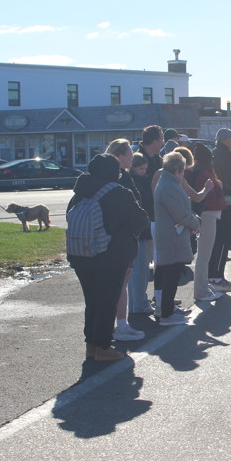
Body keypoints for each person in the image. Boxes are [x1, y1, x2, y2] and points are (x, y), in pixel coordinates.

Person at [68, 153, 149, 360]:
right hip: (110, 254)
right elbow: (140, 220)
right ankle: (103, 347)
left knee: (92, 301)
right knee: (107, 300)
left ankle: (91, 346)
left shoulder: (80, 192)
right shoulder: (118, 193)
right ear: (113, 172)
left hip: (81, 253)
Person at [104, 139, 146, 342]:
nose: (133, 155)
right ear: (119, 156)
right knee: (120, 285)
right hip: (120, 240)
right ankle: (121, 325)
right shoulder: (121, 179)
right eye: (129, 152)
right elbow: (132, 211)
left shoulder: (106, 178)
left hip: (111, 239)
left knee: (115, 285)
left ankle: (113, 325)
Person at [154, 152, 202, 325]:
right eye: (183, 172)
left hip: (171, 234)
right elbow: (180, 214)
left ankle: (167, 309)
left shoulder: (167, 183)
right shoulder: (169, 186)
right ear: (177, 171)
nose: (183, 175)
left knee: (170, 273)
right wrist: (197, 223)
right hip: (171, 237)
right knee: (171, 275)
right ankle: (167, 314)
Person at [130, 125, 164, 315]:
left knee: (156, 261)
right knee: (140, 265)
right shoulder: (138, 158)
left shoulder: (158, 160)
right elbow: (138, 193)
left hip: (156, 217)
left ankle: (159, 297)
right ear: (156, 140)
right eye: (161, 138)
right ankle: (138, 304)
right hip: (142, 219)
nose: (163, 142)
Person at [187, 143, 224, 302]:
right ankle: (201, 291)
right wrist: (223, 201)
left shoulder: (196, 173)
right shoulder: (205, 175)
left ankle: (203, 287)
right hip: (208, 215)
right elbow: (210, 200)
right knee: (204, 256)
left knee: (203, 256)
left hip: (204, 214)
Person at [209, 128, 231, 293]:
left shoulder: (213, 153)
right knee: (223, 239)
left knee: (214, 239)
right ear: (227, 140)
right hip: (226, 200)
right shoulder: (228, 156)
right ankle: (218, 277)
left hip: (214, 200)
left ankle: (212, 275)